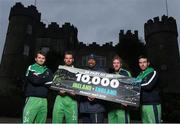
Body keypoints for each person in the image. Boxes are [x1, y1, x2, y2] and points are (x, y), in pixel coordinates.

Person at [22, 50, 53, 123]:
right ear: (36, 59)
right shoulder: (31, 67)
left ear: (45, 60)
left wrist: (40, 77)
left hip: (44, 100)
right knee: (27, 121)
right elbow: (35, 81)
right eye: (39, 57)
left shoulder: (48, 70)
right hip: (32, 99)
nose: (41, 59)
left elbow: (50, 84)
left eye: (43, 58)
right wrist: (45, 78)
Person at [52, 51, 78, 123]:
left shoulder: (78, 72)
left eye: (70, 58)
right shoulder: (59, 70)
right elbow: (53, 85)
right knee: (56, 121)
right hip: (60, 99)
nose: (68, 60)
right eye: (66, 58)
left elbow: (81, 87)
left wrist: (76, 93)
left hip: (72, 99)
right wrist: (58, 91)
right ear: (64, 59)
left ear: (73, 60)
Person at [79, 54, 106, 123]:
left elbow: (106, 89)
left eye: (93, 60)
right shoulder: (82, 72)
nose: (91, 61)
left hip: (97, 109)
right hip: (85, 109)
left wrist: (96, 95)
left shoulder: (102, 72)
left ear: (96, 61)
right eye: (89, 60)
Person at [136, 55, 161, 123]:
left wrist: (135, 84)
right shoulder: (139, 76)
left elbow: (148, 85)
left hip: (152, 105)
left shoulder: (153, 72)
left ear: (148, 63)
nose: (142, 64)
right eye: (140, 62)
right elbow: (134, 91)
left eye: (144, 62)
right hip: (143, 105)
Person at [108, 55, 131, 123]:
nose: (116, 64)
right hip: (112, 106)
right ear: (112, 65)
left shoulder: (126, 73)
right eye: (114, 63)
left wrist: (126, 100)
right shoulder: (110, 74)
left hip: (122, 106)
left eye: (117, 63)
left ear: (120, 64)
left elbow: (130, 87)